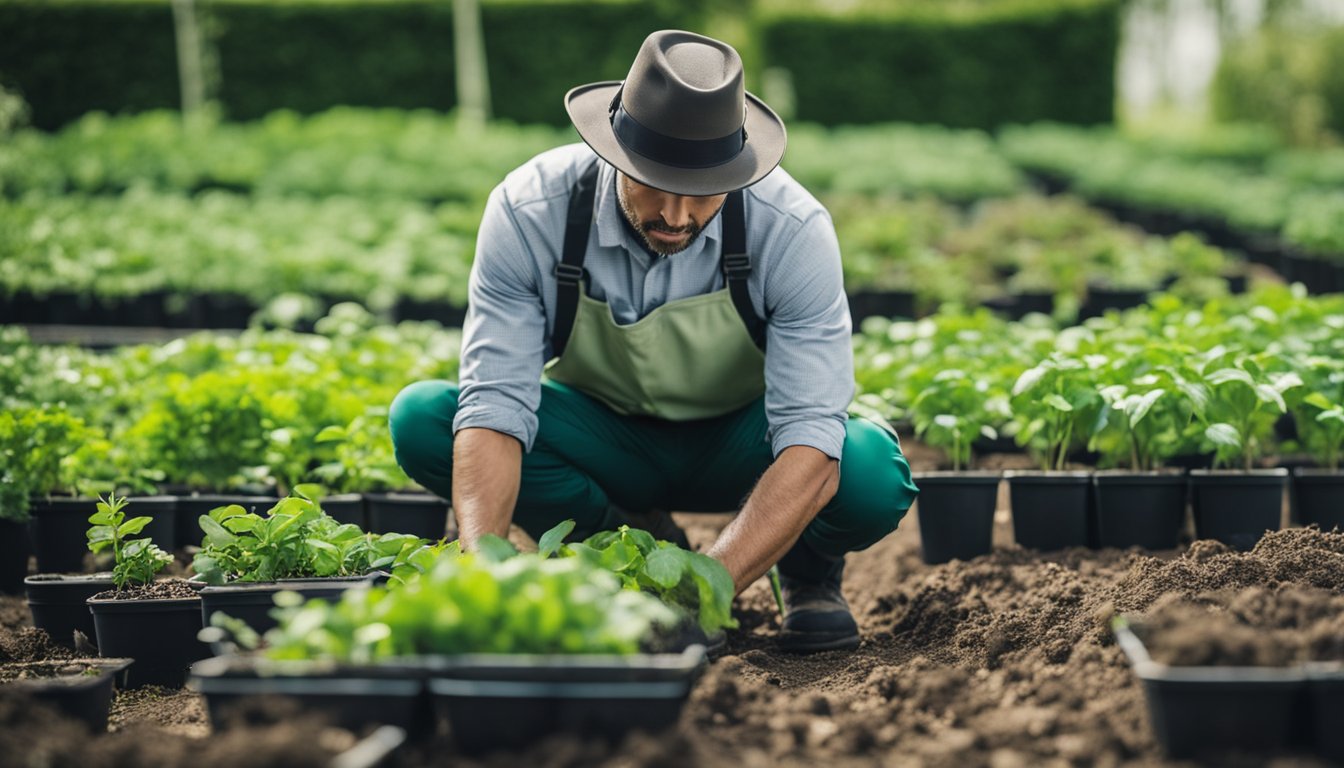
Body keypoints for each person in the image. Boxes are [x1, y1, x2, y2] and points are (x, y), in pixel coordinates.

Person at [389, 29, 918, 653]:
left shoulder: (791, 229)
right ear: (612, 152)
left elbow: (809, 436)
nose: (676, 215)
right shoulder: (531, 211)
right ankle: (627, 543)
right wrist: (483, 569)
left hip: (741, 443)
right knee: (426, 419)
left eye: (702, 191)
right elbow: (496, 406)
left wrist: (701, 595)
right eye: (653, 183)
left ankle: (806, 572)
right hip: (608, 439)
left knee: (865, 470)